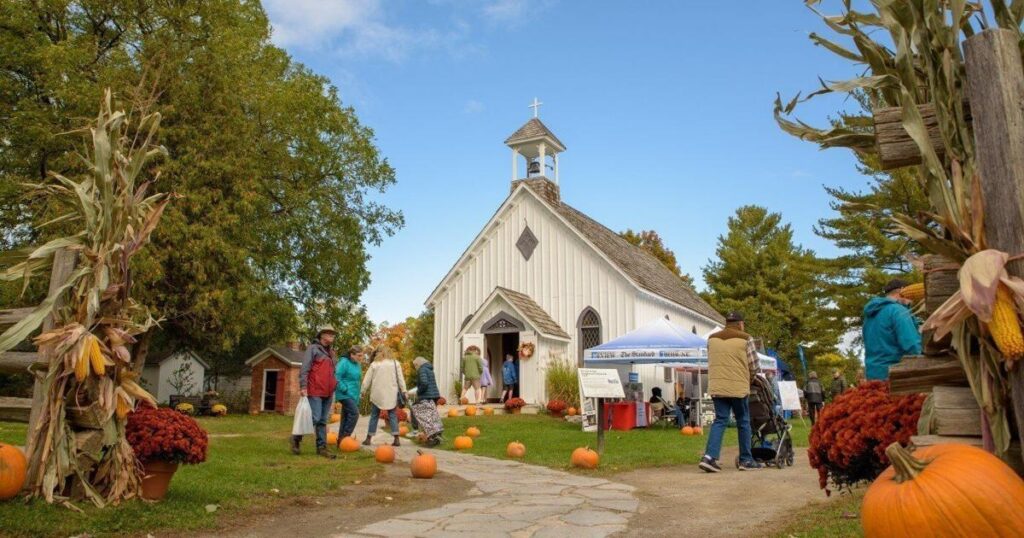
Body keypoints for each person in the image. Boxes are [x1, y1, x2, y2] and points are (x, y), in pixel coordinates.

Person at [699, 311, 762, 473]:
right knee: (743, 421)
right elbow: (754, 365)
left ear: (726, 323)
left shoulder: (712, 339)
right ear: (740, 324)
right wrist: (750, 379)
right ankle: (746, 459)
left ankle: (709, 457)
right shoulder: (746, 338)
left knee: (720, 420)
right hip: (738, 386)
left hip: (717, 386)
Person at [862, 279, 923, 380]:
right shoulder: (899, 311)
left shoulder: (870, 315)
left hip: (873, 374)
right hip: (894, 375)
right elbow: (912, 344)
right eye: (912, 298)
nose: (912, 301)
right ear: (902, 291)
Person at [292, 326, 338, 458]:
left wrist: (335, 383)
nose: (332, 335)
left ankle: (321, 448)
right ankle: (296, 438)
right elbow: (305, 368)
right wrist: (303, 386)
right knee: (315, 417)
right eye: (329, 333)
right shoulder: (313, 349)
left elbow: (333, 371)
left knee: (323, 420)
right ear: (322, 335)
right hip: (315, 389)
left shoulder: (332, 353)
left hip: (328, 391)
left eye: (333, 334)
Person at [361, 346, 408, 447]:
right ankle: (396, 439)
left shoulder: (375, 364)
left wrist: (363, 391)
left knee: (374, 416)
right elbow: (400, 379)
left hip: (377, 394)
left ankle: (368, 439)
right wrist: (404, 390)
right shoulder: (395, 363)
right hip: (391, 393)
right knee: (393, 416)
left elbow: (367, 379)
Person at [408, 356, 444, 446]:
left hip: (426, 395)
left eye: (415, 365)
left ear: (418, 364)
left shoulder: (422, 370)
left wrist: (418, 392)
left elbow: (424, 383)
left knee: (423, 415)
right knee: (432, 415)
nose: (415, 368)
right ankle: (437, 433)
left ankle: (431, 436)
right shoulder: (429, 369)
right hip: (434, 395)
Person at [334, 345, 364, 445]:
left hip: (353, 395)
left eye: (361, 355)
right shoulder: (344, 362)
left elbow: (357, 380)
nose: (361, 358)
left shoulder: (357, 364)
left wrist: (358, 395)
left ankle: (340, 441)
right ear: (352, 355)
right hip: (344, 394)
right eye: (359, 355)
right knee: (355, 413)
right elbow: (337, 376)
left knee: (345, 417)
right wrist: (344, 389)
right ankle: (346, 437)